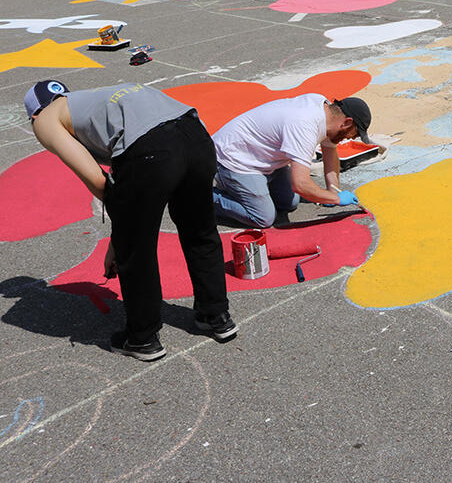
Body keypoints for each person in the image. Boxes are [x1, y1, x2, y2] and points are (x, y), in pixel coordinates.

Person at [25, 80, 236, 362]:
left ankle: (142, 337)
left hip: (151, 151)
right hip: (195, 136)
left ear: (34, 115)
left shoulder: (45, 120)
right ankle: (216, 316)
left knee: (137, 252)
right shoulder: (97, 99)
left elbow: (100, 181)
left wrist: (121, 239)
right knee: (200, 231)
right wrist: (119, 233)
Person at [211, 95, 374, 229]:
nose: (352, 138)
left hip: (262, 157)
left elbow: (330, 154)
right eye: (354, 134)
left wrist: (332, 190)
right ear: (347, 122)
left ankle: (252, 189)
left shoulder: (326, 111)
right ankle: (202, 197)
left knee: (289, 203)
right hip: (234, 159)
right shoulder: (304, 125)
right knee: (263, 217)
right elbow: (300, 184)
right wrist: (337, 200)